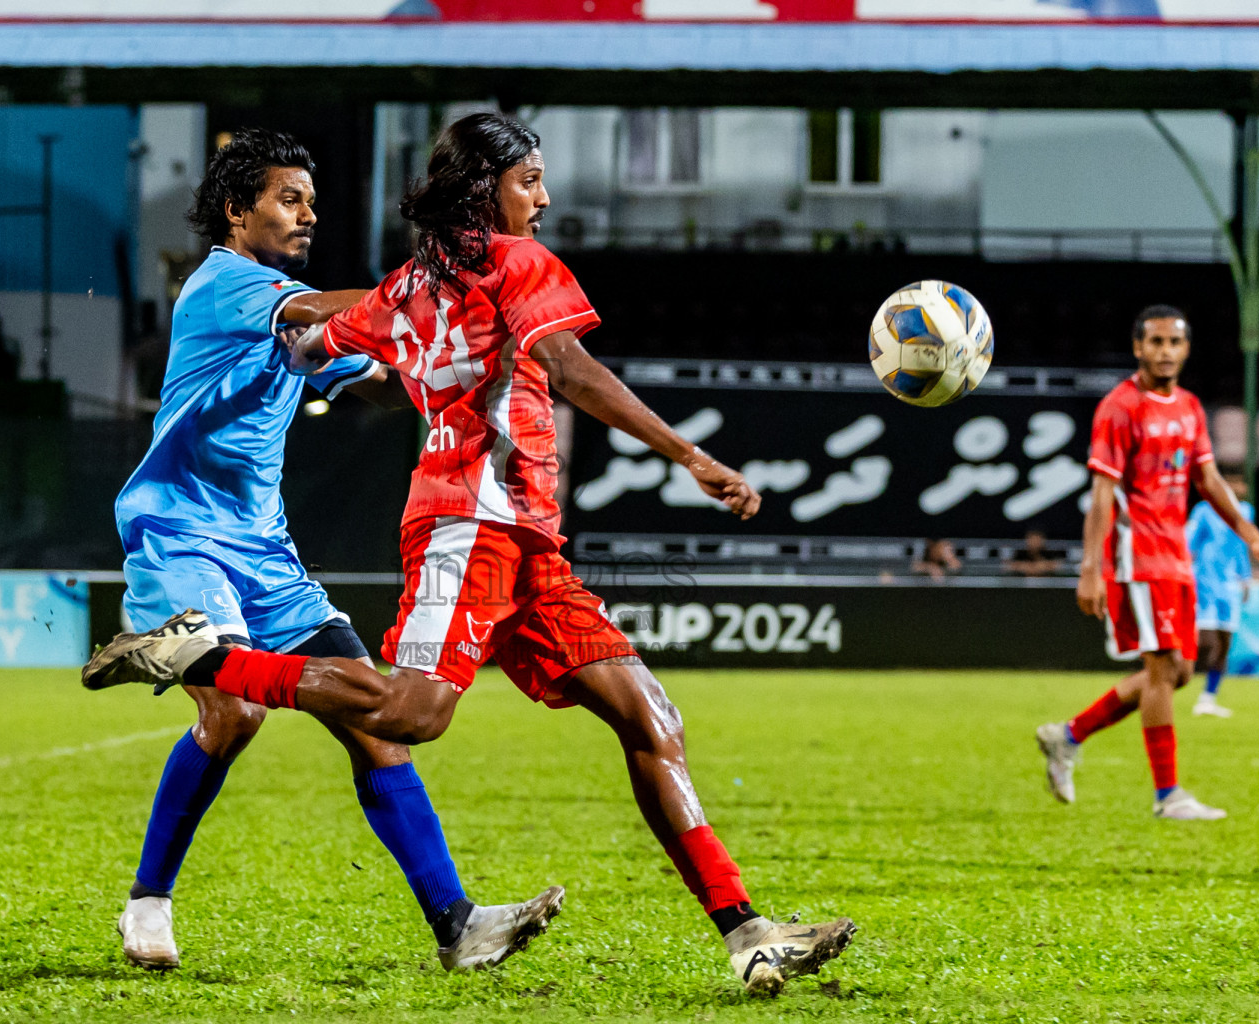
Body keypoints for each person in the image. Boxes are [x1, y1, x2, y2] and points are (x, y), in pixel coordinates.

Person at [87, 113, 854, 995]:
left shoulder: (440, 283)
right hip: (222, 525)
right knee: (285, 714)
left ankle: (736, 932)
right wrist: (687, 455)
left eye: (309, 200)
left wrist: (413, 317)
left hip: (409, 542)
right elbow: (557, 364)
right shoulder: (227, 284)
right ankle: (152, 880)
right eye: (530, 179)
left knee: (634, 720)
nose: (546, 196)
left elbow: (340, 351)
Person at [99, 128, 561, 973]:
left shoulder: (289, 305)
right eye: (288, 199)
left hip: (265, 552)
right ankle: (148, 903)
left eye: (312, 201)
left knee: (375, 724)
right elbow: (332, 315)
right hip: (181, 533)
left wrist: (450, 366)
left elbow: (360, 361)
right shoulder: (224, 284)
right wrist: (446, 292)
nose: (308, 214)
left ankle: (457, 926)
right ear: (237, 211)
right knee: (233, 713)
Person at [1034, 306, 1259, 820]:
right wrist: (1091, 568)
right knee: (1163, 668)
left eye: (1174, 342)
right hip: (1136, 556)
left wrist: (1252, 537)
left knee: (1178, 673)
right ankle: (1168, 795)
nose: (1165, 351)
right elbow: (1102, 495)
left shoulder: (1189, 407)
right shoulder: (1120, 407)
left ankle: (1068, 735)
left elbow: (1209, 481)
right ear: (1138, 348)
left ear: (1186, 350)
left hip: (1175, 556)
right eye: (1156, 342)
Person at [1185, 472, 1254, 718]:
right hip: (1205, 582)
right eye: (1233, 481)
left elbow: (1242, 546)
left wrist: (1245, 579)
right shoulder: (1204, 511)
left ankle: (1208, 698)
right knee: (1206, 641)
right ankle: (1170, 672)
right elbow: (1188, 544)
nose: (1239, 486)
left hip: (1230, 586)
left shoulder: (1245, 512)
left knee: (1224, 644)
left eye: (1240, 481)